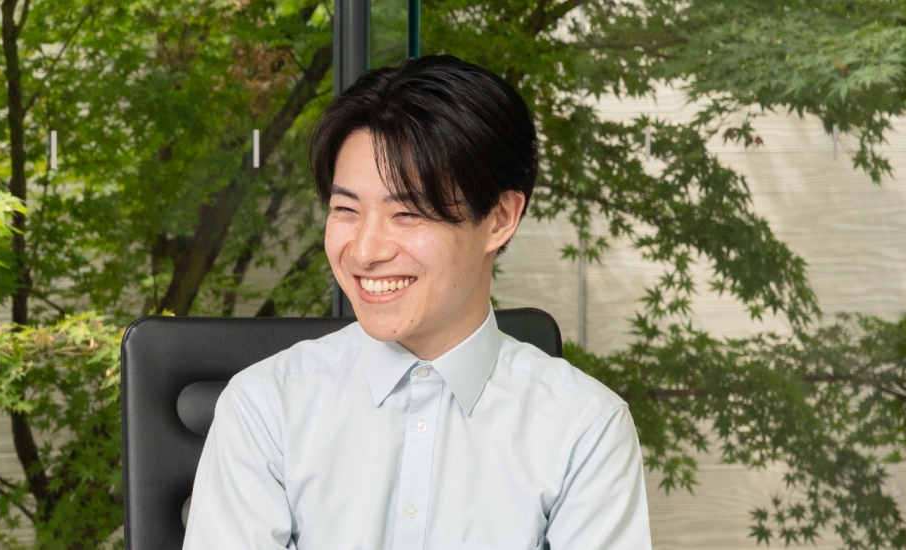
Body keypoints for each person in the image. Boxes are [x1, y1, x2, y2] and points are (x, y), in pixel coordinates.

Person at [183, 55, 652, 550]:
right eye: (346, 209)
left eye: (408, 213)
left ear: (499, 218)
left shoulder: (585, 428)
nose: (365, 251)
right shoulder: (263, 407)